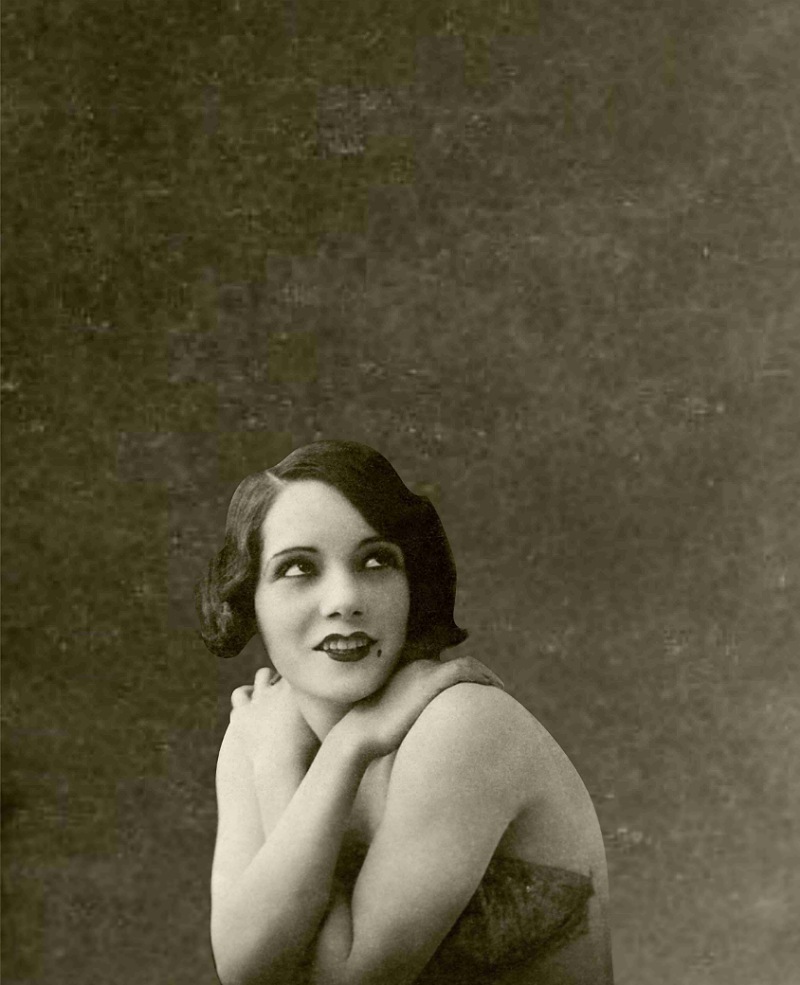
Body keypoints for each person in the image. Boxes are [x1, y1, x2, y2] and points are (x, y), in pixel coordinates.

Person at [196, 440, 614, 985]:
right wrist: (282, 758)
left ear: (413, 583)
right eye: (299, 568)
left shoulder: (463, 723)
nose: (344, 599)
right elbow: (244, 969)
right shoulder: (263, 733)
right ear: (249, 596)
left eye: (376, 561)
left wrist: (334, 753)